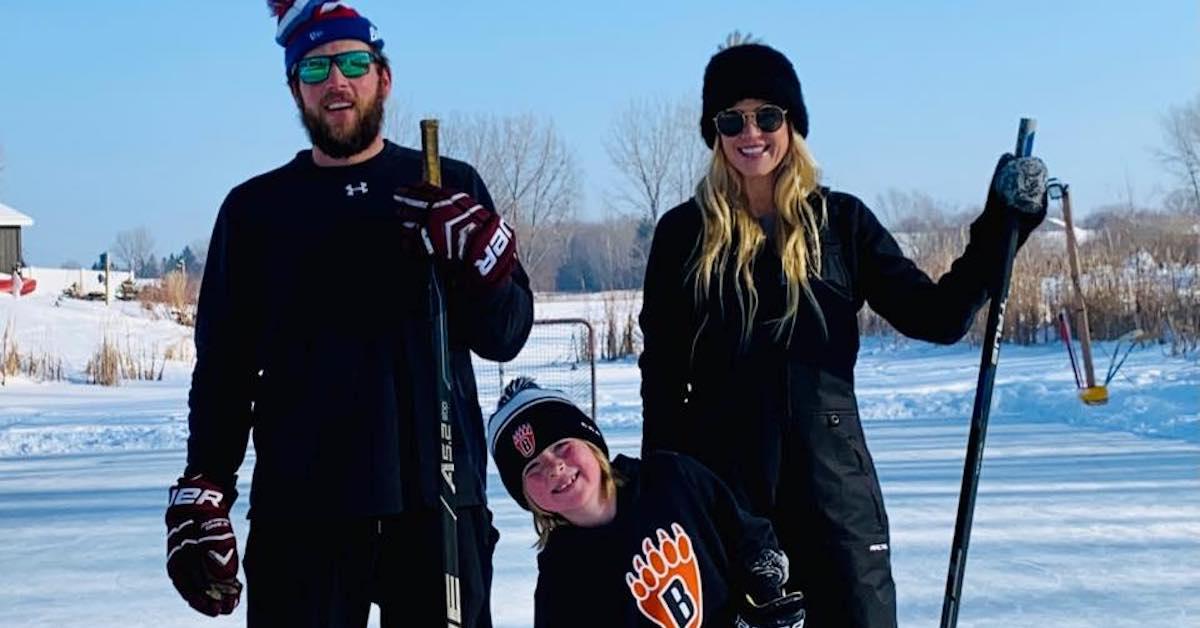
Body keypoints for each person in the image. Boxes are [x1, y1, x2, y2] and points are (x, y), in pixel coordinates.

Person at [638, 40, 1047, 628]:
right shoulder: (682, 235)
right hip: (726, 498)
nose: (750, 132)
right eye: (732, 119)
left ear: (792, 125)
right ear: (714, 132)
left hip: (832, 492)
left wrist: (1004, 222)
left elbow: (937, 316)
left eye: (767, 116)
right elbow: (663, 378)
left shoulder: (842, 223)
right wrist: (664, 495)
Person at [163, 1, 533, 625]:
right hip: (303, 511)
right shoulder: (256, 211)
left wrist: (479, 261)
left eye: (354, 62)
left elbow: (506, 334)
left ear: (382, 79)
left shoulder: (446, 184)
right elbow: (224, 370)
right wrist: (207, 484)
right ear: (295, 90)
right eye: (315, 69)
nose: (336, 81)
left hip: (438, 500)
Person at [487, 377, 807, 628]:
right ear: (526, 497)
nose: (554, 467)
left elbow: (749, 537)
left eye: (560, 445)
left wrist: (764, 596)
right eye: (532, 467)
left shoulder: (671, 478)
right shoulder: (560, 574)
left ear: (590, 440)